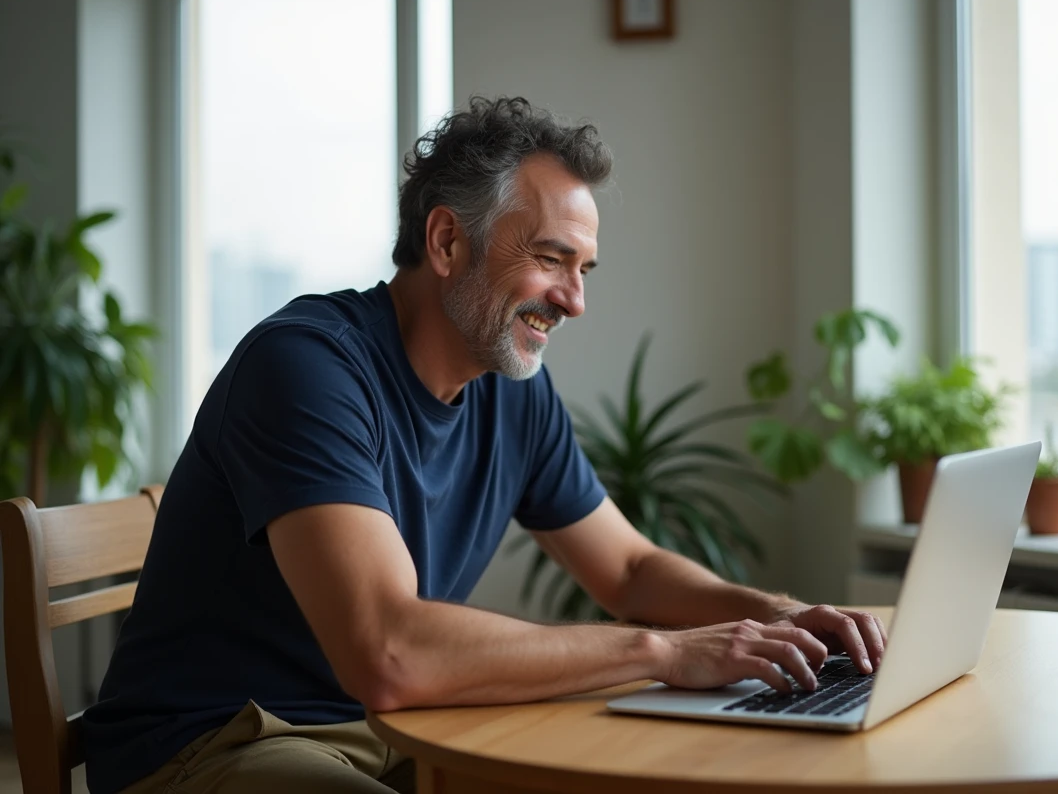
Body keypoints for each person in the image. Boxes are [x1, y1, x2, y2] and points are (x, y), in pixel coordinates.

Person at [81, 96, 888, 794]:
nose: (575, 300)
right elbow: (390, 652)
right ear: (445, 242)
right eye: (550, 259)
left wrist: (777, 616)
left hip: (385, 732)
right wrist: (664, 653)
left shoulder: (513, 392)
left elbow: (632, 570)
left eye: (586, 268)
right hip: (209, 746)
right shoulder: (306, 367)